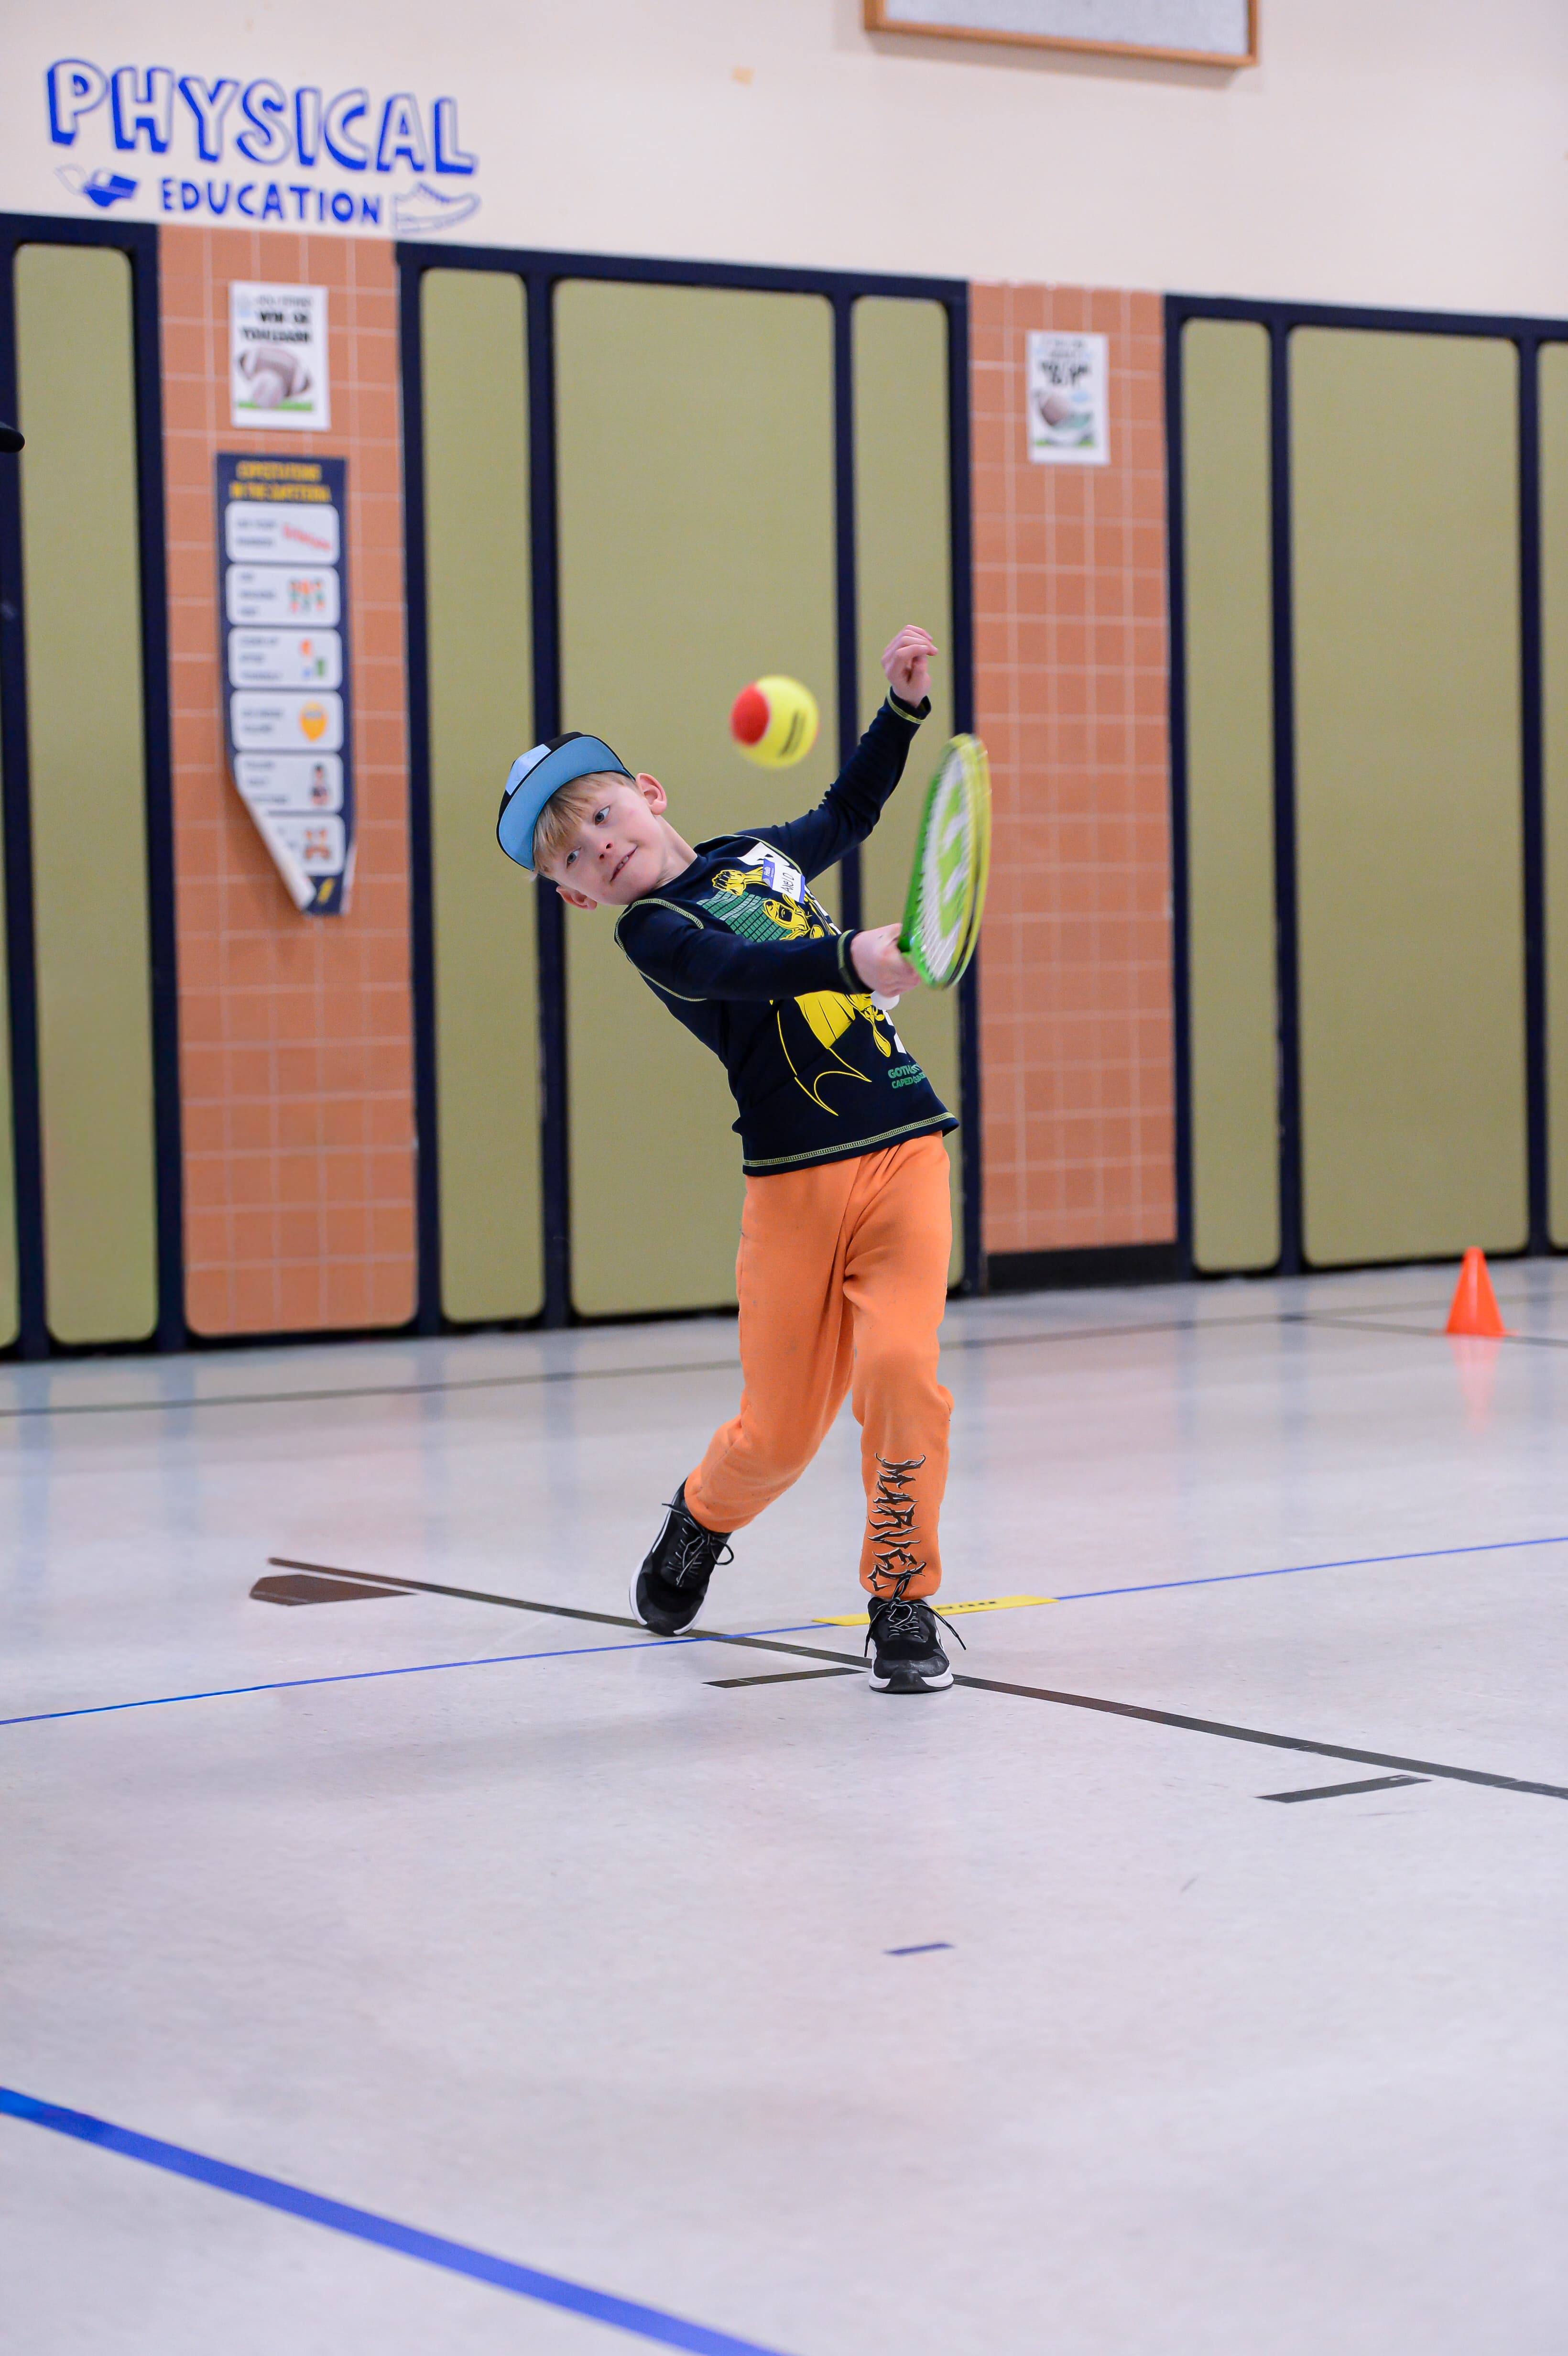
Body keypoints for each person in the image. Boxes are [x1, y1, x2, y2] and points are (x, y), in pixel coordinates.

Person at [496, 626, 961, 1694]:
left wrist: (897, 712)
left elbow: (846, 811)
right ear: (572, 895)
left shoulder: (758, 855)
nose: (595, 845)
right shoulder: (652, 930)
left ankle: (899, 1596)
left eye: (601, 813)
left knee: (899, 1372)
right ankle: (699, 1519)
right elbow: (742, 969)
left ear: (649, 795)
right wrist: (854, 955)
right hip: (792, 1189)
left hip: (901, 1150)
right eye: (569, 855)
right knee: (777, 1438)